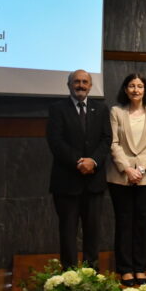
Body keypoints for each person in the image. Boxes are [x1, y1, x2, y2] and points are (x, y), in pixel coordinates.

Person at [46, 70, 111, 270]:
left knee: (93, 232)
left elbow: (106, 139)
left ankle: (92, 275)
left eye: (85, 82)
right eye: (77, 82)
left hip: (94, 183)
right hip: (66, 183)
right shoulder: (57, 109)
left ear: (91, 86)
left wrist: (93, 161)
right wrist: (79, 162)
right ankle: (70, 274)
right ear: (69, 85)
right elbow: (55, 142)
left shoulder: (100, 109)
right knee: (67, 231)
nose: (81, 85)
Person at [106, 73, 146, 286]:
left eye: (139, 86)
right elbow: (113, 143)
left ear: (145, 89)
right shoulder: (116, 112)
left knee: (142, 222)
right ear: (125, 89)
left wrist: (139, 169)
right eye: (131, 86)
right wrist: (128, 169)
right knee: (124, 222)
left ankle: (140, 267)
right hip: (120, 177)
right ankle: (125, 268)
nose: (136, 90)